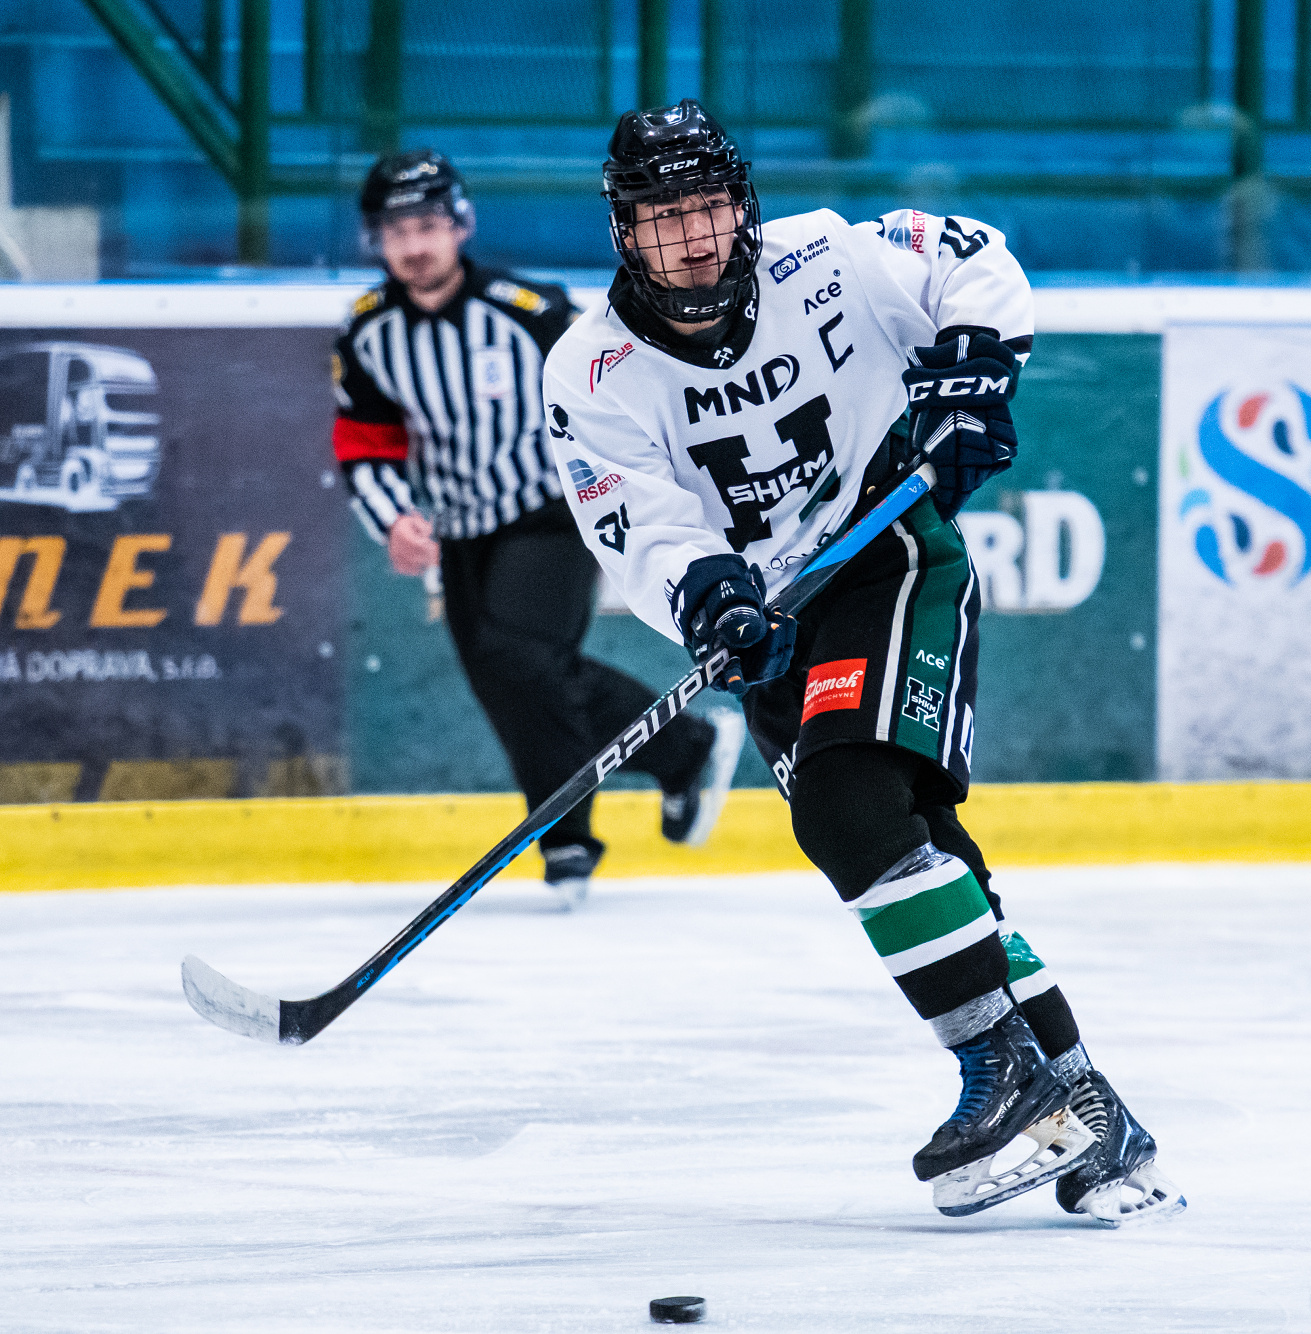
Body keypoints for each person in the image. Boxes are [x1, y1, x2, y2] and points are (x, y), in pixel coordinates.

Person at [542, 100, 1183, 1225]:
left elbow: (969, 260)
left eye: (709, 205)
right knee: (921, 857)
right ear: (622, 232)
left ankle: (1005, 1074)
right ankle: (1090, 1110)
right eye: (663, 216)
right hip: (768, 623)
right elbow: (636, 522)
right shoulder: (589, 370)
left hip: (885, 557)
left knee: (847, 806)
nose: (693, 234)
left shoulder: (829, 258)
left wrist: (975, 371)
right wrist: (706, 594)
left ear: (741, 204)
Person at [332, 148, 742, 908]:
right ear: (375, 240)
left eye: (426, 225)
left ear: (459, 226)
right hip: (461, 530)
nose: (413, 245)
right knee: (509, 682)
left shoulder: (528, 310)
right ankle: (684, 751)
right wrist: (395, 520)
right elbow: (365, 442)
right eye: (396, 231)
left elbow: (617, 387)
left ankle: (567, 842)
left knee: (520, 657)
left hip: (555, 511)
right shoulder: (367, 332)